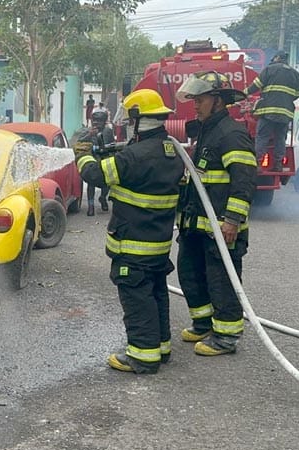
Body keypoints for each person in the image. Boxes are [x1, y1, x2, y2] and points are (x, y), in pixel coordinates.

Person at [77, 89, 184, 374]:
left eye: (129, 119)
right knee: (156, 292)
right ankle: (160, 347)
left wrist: (83, 155)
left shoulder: (135, 157)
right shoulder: (170, 150)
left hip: (133, 244)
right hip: (157, 244)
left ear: (138, 119)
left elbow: (96, 175)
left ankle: (143, 356)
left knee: (137, 297)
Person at [175, 71, 257, 356]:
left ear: (218, 101)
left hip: (222, 226)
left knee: (221, 279)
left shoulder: (231, 134)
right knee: (190, 272)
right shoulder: (207, 131)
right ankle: (204, 324)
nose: (195, 105)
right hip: (197, 225)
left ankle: (226, 336)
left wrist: (233, 220)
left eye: (200, 100)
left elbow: (243, 180)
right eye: (194, 99)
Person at [244, 50, 299, 171]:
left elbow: (256, 86)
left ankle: (258, 164)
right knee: (280, 138)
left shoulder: (269, 70)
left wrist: (243, 93)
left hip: (268, 111)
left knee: (262, 136)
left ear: (276, 58)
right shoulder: (295, 74)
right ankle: (278, 165)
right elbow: (297, 94)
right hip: (285, 113)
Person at [77, 110, 115, 216]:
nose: (96, 123)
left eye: (99, 121)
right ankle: (91, 206)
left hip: (104, 158)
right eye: (94, 121)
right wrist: (89, 135)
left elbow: (112, 145)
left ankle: (103, 198)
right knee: (91, 182)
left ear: (104, 122)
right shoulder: (87, 131)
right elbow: (79, 142)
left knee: (107, 182)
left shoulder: (108, 131)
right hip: (91, 159)